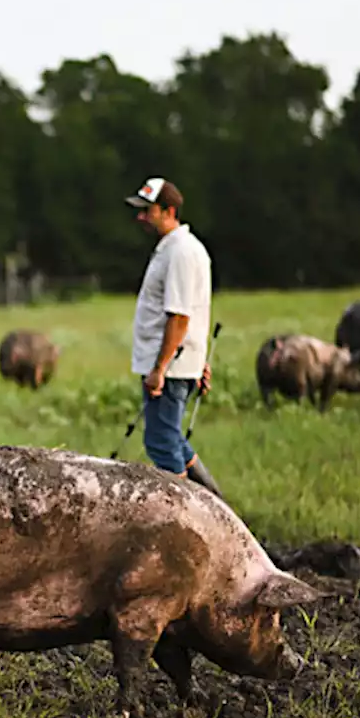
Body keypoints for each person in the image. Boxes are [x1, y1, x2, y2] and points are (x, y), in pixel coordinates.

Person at [124, 176, 223, 499]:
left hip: (169, 365)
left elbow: (180, 315)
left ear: (168, 210)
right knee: (171, 437)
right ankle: (216, 503)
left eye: (147, 211)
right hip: (178, 363)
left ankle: (184, 515)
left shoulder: (180, 252)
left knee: (161, 443)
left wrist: (160, 368)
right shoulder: (177, 249)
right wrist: (196, 362)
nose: (140, 217)